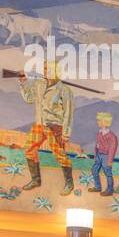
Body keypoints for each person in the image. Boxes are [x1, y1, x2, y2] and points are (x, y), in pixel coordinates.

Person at [18, 52, 75, 195]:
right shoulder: (39, 84)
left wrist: (66, 133)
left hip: (55, 126)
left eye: (45, 69)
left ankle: (69, 183)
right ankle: (36, 180)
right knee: (29, 149)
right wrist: (23, 83)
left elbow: (68, 113)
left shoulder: (64, 90)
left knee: (60, 155)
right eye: (42, 68)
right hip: (40, 124)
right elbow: (29, 99)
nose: (42, 71)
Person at [89, 112, 118, 196]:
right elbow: (96, 145)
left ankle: (110, 190)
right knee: (94, 170)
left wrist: (110, 160)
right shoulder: (99, 133)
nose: (97, 122)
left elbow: (112, 149)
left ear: (104, 122)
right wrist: (95, 155)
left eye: (99, 121)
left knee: (108, 173)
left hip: (106, 156)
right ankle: (98, 187)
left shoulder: (112, 136)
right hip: (98, 155)